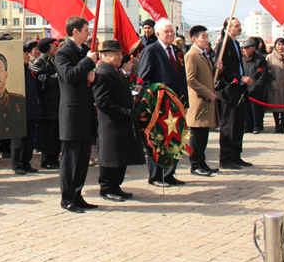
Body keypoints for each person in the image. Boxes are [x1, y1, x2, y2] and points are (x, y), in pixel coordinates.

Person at [55, 16, 99, 213]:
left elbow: (83, 76)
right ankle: (67, 198)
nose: (88, 33)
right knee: (71, 158)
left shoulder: (83, 51)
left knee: (83, 157)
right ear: (75, 31)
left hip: (85, 110)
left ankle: (78, 194)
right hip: (71, 112)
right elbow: (70, 75)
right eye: (85, 29)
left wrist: (92, 73)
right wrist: (88, 63)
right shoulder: (64, 52)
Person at [138, 18, 188, 187]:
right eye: (166, 32)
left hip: (176, 105)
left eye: (172, 31)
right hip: (159, 104)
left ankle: (170, 173)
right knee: (158, 139)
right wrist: (153, 99)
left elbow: (182, 78)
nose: (170, 34)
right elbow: (144, 79)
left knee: (174, 139)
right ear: (158, 33)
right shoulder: (151, 50)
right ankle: (156, 176)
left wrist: (184, 102)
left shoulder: (177, 51)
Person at [93, 40, 145, 201]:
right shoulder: (102, 72)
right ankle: (107, 188)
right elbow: (102, 101)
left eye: (120, 54)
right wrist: (123, 111)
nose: (119, 57)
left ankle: (116, 186)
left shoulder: (115, 70)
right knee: (111, 157)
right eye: (116, 54)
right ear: (105, 55)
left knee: (121, 156)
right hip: (111, 122)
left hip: (122, 120)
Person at [214, 18, 254, 170]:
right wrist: (238, 77)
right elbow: (220, 69)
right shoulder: (223, 44)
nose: (239, 28)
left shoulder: (236, 44)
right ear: (228, 28)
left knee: (238, 124)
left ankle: (236, 156)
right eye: (236, 26)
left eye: (239, 25)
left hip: (240, 91)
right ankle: (226, 158)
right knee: (229, 125)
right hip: (228, 89)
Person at [184, 25, 221, 177]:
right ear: (194, 39)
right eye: (203, 37)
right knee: (197, 136)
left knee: (203, 134)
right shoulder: (191, 55)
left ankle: (202, 162)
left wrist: (215, 67)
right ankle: (196, 164)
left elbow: (205, 76)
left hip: (205, 101)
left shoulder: (203, 54)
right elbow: (190, 79)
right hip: (198, 101)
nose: (206, 40)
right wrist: (207, 93)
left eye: (206, 37)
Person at [11, 42, 40, 175]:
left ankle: (26, 162)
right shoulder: (14, 72)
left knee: (29, 138)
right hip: (18, 110)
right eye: (25, 53)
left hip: (31, 109)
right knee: (19, 139)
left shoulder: (29, 71)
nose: (28, 56)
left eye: (28, 53)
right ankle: (17, 164)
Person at [33, 38, 61, 169]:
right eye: (53, 46)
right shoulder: (40, 62)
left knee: (56, 134)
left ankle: (55, 157)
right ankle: (47, 159)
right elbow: (42, 81)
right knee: (48, 134)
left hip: (56, 103)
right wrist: (58, 76)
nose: (55, 47)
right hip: (46, 104)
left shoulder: (55, 61)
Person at [241, 39, 270, 135]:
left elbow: (264, 73)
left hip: (257, 88)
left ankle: (257, 125)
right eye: (243, 48)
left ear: (253, 48)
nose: (245, 50)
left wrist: (257, 85)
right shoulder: (242, 58)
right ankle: (248, 125)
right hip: (245, 88)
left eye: (247, 48)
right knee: (246, 108)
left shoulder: (259, 58)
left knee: (256, 109)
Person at [266, 38, 284, 133]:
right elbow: (267, 70)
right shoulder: (270, 57)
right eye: (279, 45)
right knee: (275, 105)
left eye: (282, 45)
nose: (280, 47)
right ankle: (277, 124)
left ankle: (283, 124)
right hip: (274, 84)